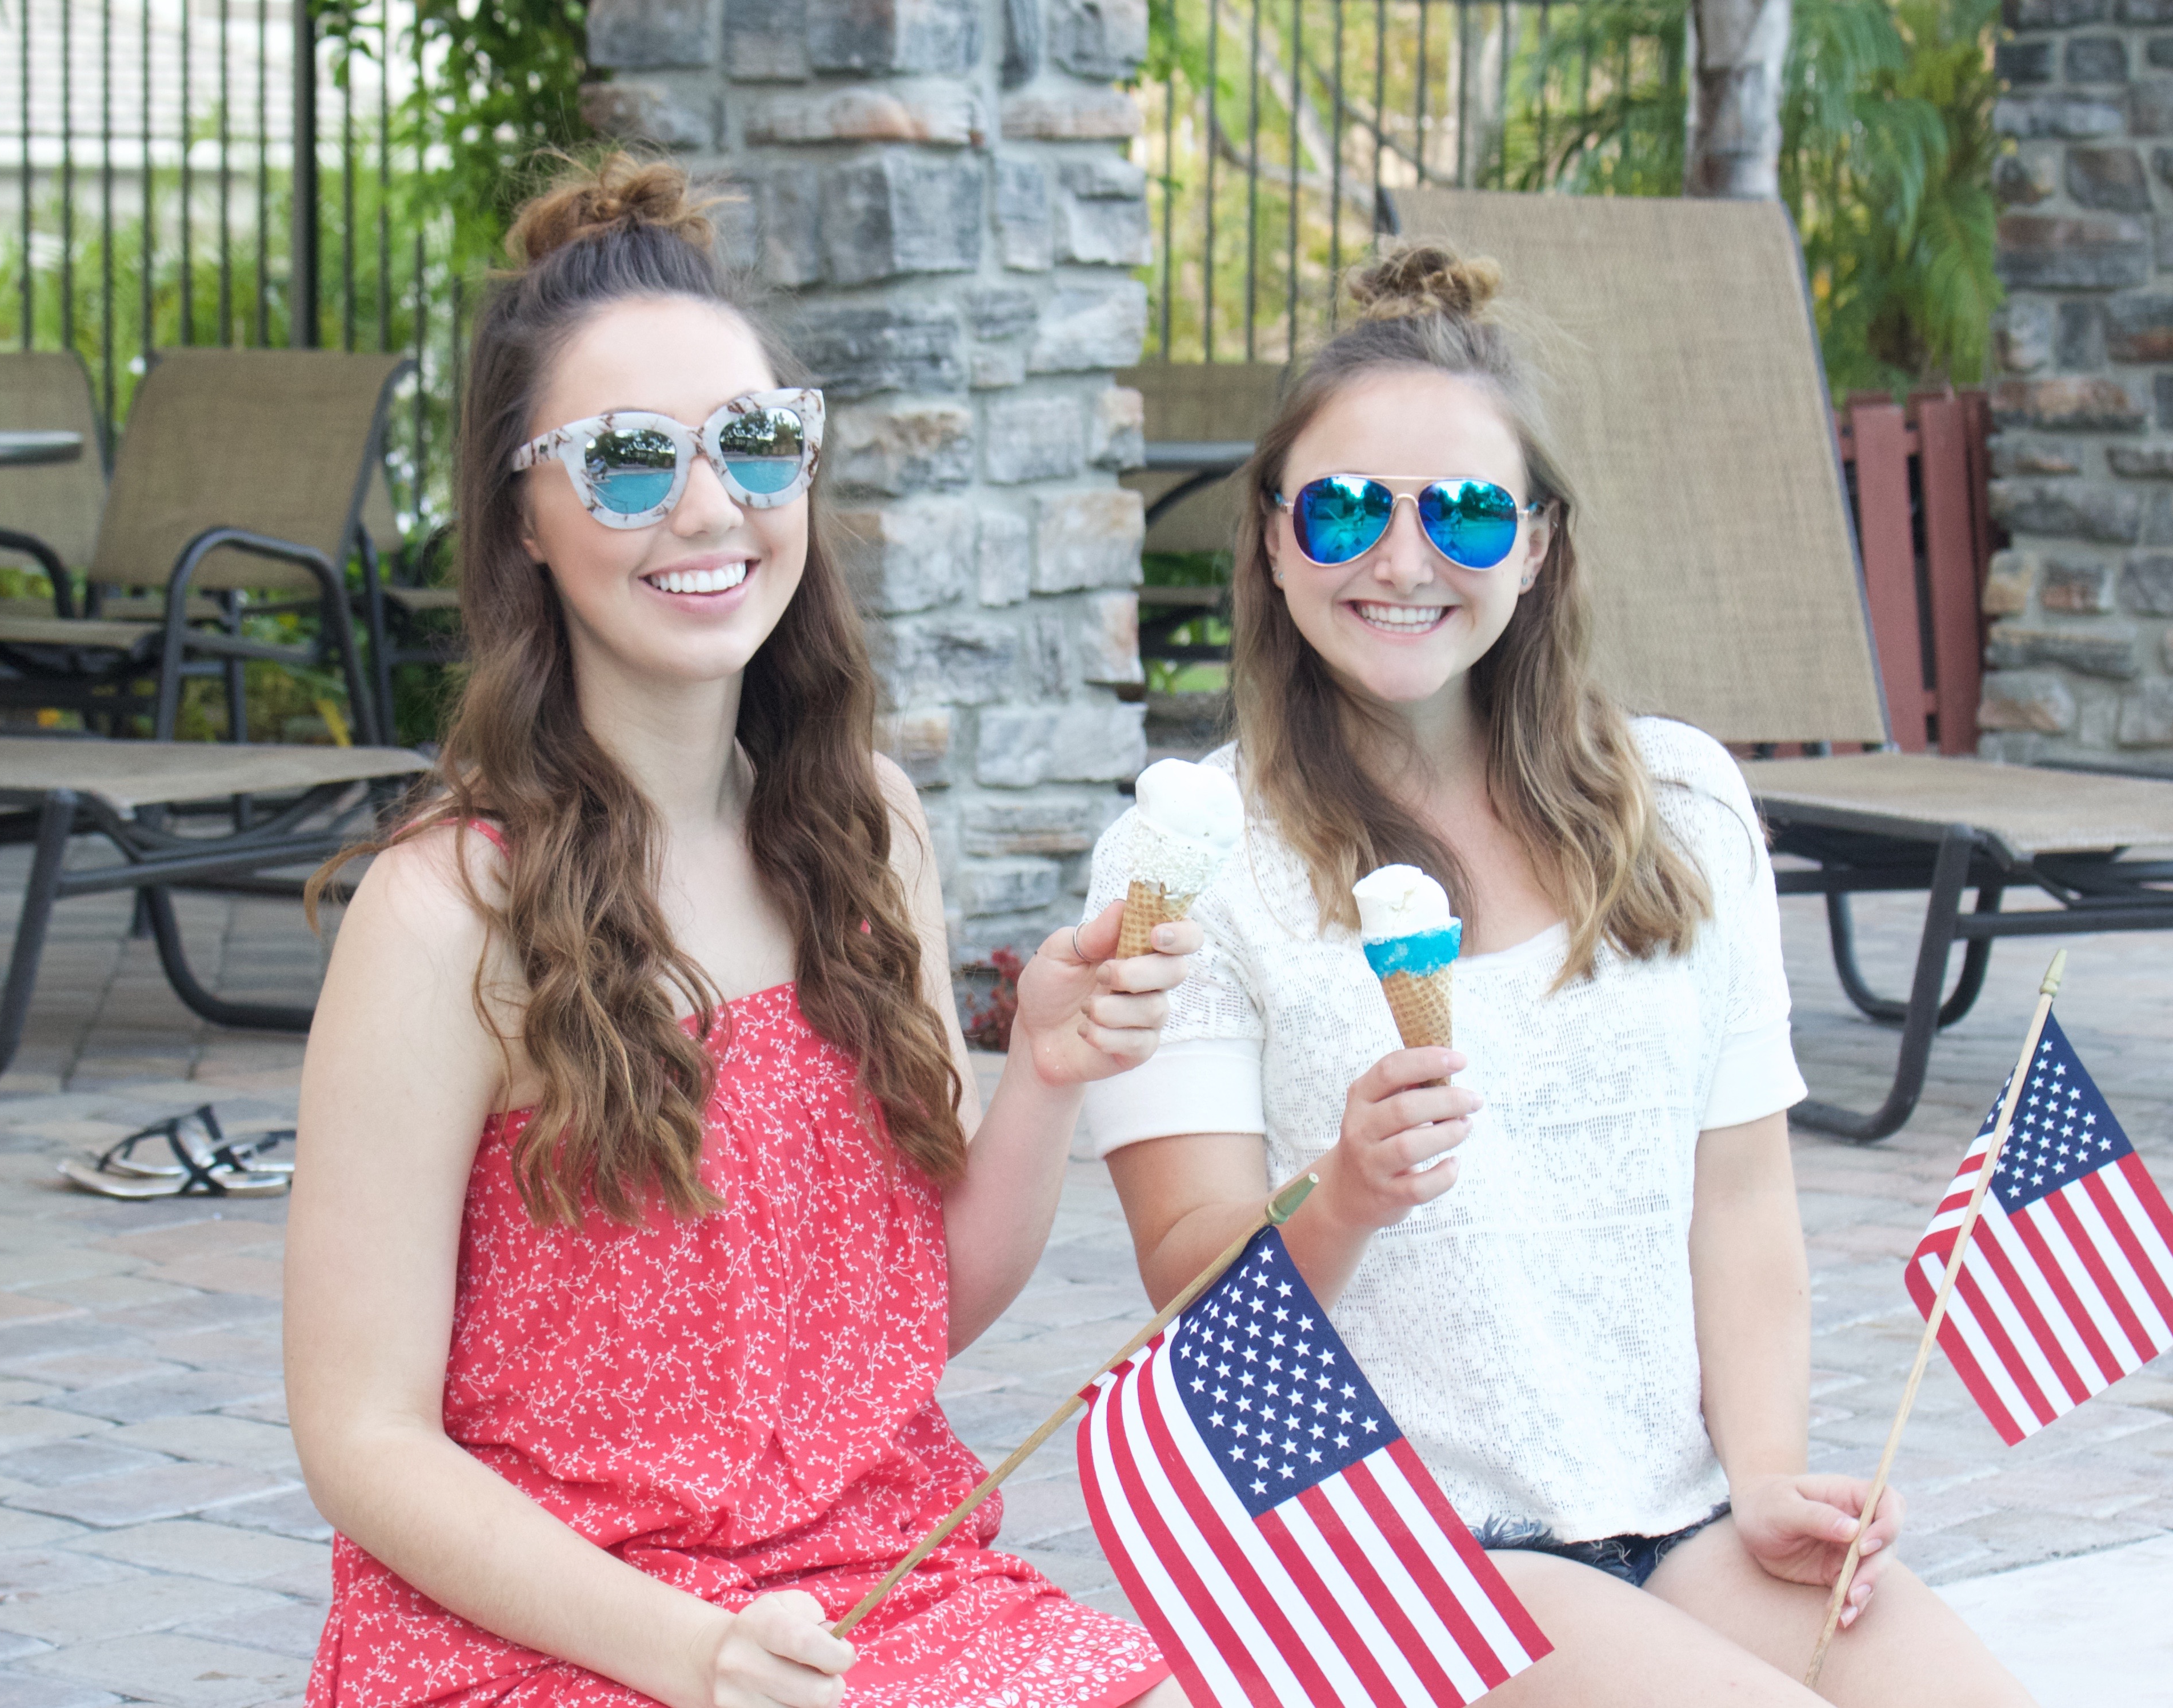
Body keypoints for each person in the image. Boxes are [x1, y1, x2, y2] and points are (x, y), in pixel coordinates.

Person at [286, 154, 1196, 1708]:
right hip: (548, 1632)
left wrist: (1041, 1072)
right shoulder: (447, 910)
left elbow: (897, 1326)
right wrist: (692, 1649)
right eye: (630, 460)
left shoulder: (865, 835)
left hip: (876, 1586)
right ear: (525, 512)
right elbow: (361, 1435)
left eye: (757, 443)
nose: (710, 507)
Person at [1080, 243, 2034, 1707]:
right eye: (1342, 508)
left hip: (1669, 1520)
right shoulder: (1196, 854)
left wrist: (1767, 1475)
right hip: (1391, 1553)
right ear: (1272, 538)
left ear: (1537, 542)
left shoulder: (1684, 804)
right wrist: (1342, 1194)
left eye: (1463, 510)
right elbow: (1194, 1309)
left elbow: (1740, 1199)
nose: (1401, 560)